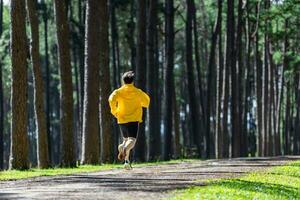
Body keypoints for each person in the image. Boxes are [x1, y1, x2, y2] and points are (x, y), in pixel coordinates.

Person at [108, 71, 150, 170]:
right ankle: (124, 148)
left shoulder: (118, 92)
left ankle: (126, 162)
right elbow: (147, 101)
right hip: (133, 119)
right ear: (132, 81)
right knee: (132, 140)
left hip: (121, 118)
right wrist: (141, 103)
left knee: (126, 140)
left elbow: (111, 99)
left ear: (123, 81)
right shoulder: (137, 92)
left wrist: (114, 110)